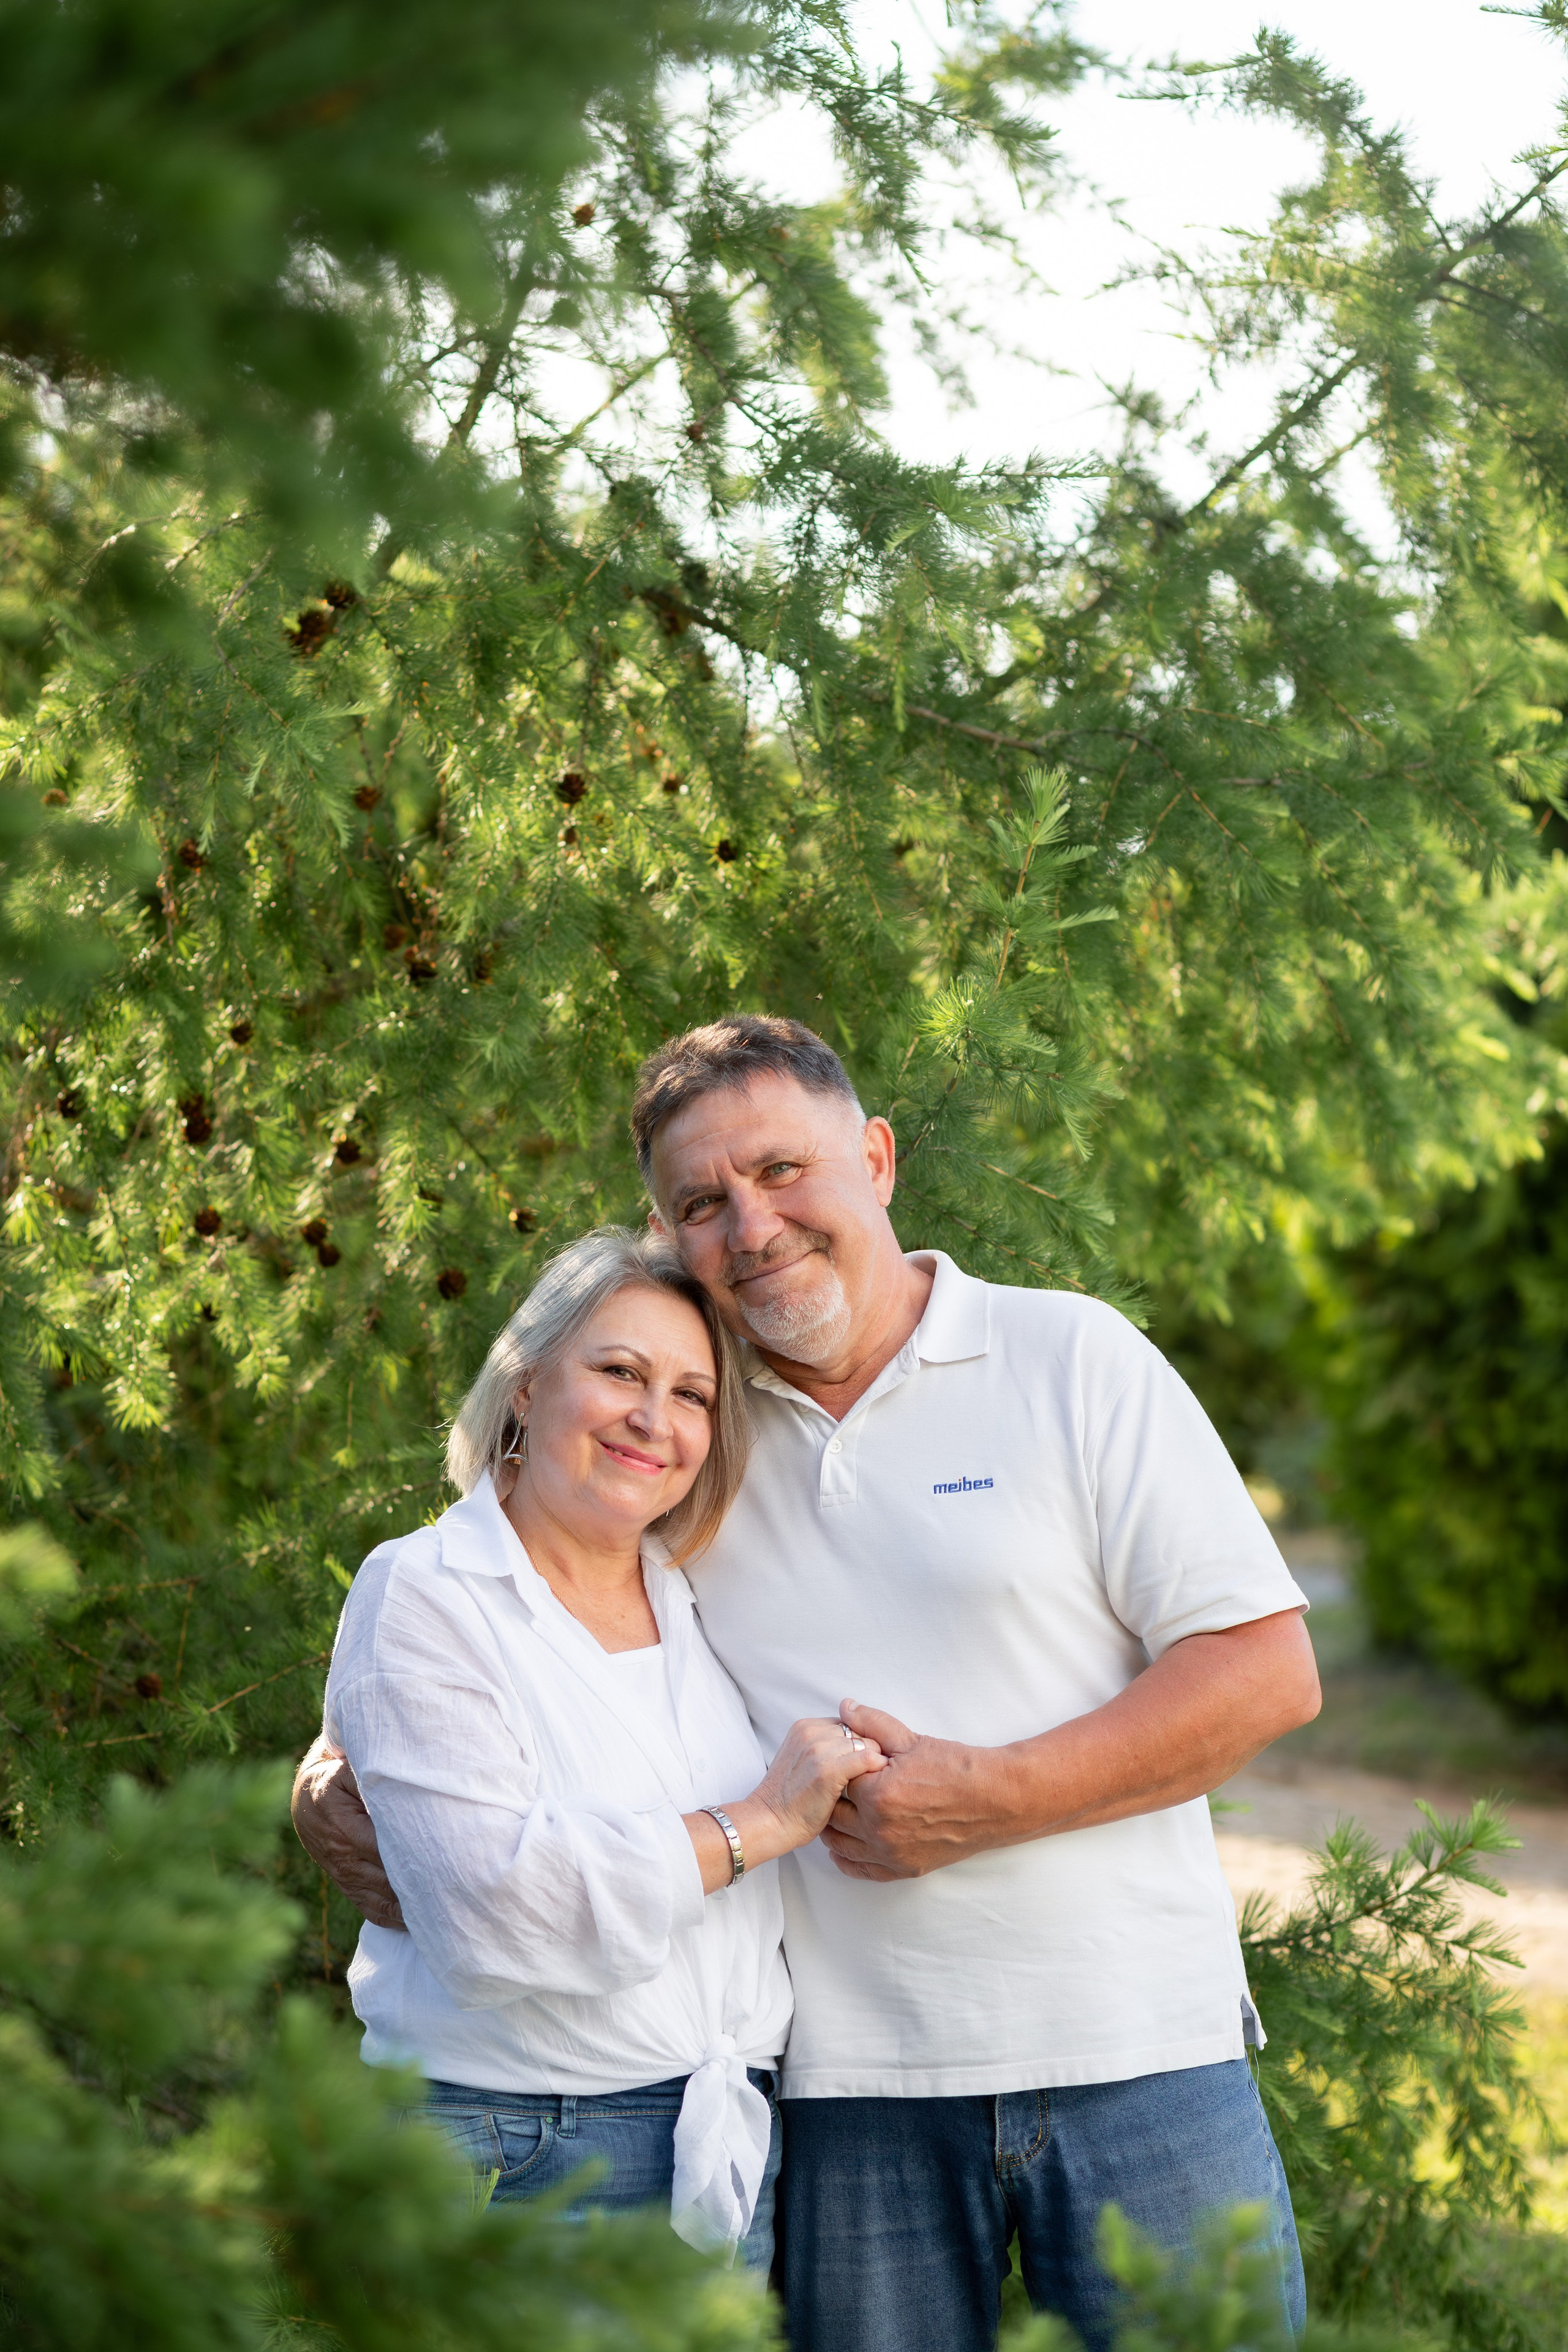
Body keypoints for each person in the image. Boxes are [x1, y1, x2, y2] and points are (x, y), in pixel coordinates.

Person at [295, 1017, 1323, 2351]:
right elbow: (493, 1611)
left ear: (877, 1160)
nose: (753, 1224)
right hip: (838, 2093)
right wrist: (336, 1764)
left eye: (783, 1171)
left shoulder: (1070, 1360)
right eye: (703, 1204)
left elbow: (1262, 1673)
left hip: (1135, 2046)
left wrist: (990, 1799)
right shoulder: (686, 1442)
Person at [308, 1224, 884, 2268]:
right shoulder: (429, 1593)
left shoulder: (699, 1595)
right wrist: (758, 1824)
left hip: (729, 2150)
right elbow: (492, 1915)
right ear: (525, 1386)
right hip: (521, 2155)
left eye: (693, 1394)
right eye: (619, 1370)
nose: (653, 1419)